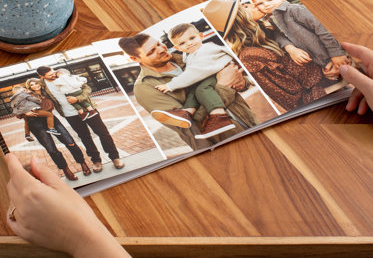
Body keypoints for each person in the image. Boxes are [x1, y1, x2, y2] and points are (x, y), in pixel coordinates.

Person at [5, 41, 373, 256]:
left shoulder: (192, 60)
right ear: (137, 61)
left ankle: (100, 158)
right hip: (214, 159)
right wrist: (225, 88)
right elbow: (187, 121)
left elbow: (223, 80)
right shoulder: (146, 87)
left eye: (163, 44)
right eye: (151, 49)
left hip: (247, 130)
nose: (164, 50)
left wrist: (82, 240)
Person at [118, 33, 259, 151]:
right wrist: (223, 86)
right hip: (221, 141)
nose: (161, 49)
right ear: (134, 59)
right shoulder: (144, 88)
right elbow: (187, 126)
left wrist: (242, 81)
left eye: (159, 44)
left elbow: (232, 73)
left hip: (248, 120)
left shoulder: (189, 56)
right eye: (151, 51)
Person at [203, 0, 328, 111]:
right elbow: (289, 93)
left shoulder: (268, 30)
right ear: (240, 19)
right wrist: (325, 69)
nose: (254, 5)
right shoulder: (249, 55)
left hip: (328, 75)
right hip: (318, 94)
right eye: (245, 6)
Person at [152, 23, 236, 139]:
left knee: (202, 89)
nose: (189, 43)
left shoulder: (206, 49)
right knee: (194, 90)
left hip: (220, 72)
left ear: (200, 36)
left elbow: (194, 73)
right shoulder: (190, 54)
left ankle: (219, 116)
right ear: (177, 48)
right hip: (210, 74)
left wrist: (171, 85)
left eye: (192, 38)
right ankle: (187, 113)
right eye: (182, 43)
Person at [247, 0, 351, 79]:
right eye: (260, 3)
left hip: (334, 54)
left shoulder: (295, 10)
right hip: (320, 61)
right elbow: (278, 36)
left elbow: (322, 29)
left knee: (353, 73)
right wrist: (290, 49)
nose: (266, 5)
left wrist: (336, 53)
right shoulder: (271, 19)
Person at [36, 66, 124, 173]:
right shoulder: (43, 85)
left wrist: (78, 98)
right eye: (50, 75)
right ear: (42, 76)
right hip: (70, 114)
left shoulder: (64, 75)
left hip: (88, 109)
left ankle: (115, 157)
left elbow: (87, 88)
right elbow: (35, 94)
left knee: (103, 133)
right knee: (84, 137)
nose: (54, 75)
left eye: (53, 72)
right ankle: (96, 160)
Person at [23, 78, 92, 181]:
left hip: (52, 120)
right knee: (52, 150)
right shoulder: (26, 96)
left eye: (36, 83)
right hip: (36, 124)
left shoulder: (47, 92)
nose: (35, 86)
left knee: (70, 142)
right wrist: (24, 112)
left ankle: (82, 162)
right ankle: (65, 169)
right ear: (29, 87)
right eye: (32, 85)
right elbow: (16, 109)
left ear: (40, 84)